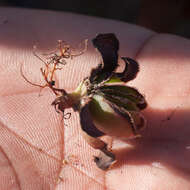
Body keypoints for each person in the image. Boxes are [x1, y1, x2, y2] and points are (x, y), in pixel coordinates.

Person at [0, 7, 190, 190]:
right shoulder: (89, 99)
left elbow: (121, 71)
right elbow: (122, 71)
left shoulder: (89, 91)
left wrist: (104, 153)